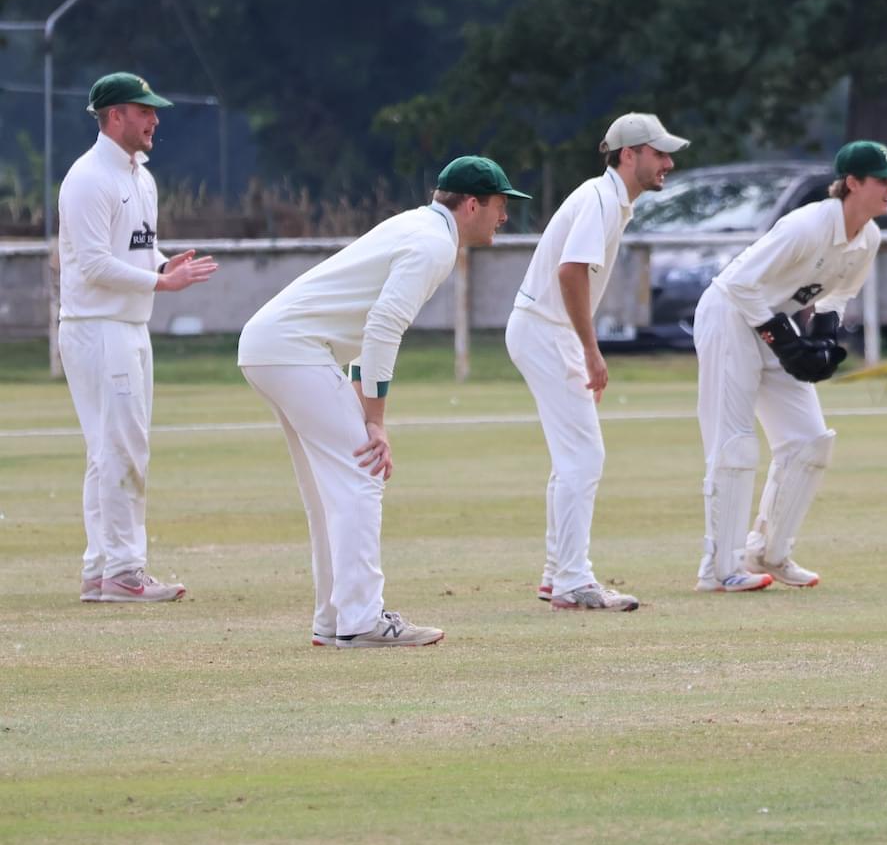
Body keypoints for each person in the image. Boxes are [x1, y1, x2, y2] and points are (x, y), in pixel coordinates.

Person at [238, 156, 530, 647]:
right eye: (501, 206)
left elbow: (361, 326)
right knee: (362, 472)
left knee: (328, 490)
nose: (505, 217)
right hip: (292, 350)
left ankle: (335, 621)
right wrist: (375, 422)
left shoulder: (416, 227)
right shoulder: (433, 243)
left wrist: (362, 407)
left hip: (273, 347)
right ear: (473, 204)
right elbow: (382, 326)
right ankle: (361, 620)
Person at [692, 140, 887, 593]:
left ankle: (768, 552)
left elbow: (839, 294)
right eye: (882, 180)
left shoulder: (867, 236)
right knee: (734, 445)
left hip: (772, 320)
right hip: (729, 316)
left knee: (809, 443)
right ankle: (719, 569)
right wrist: (784, 339)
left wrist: (824, 338)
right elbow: (738, 283)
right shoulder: (807, 225)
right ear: (852, 184)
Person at [507, 113, 689, 612]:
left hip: (543, 329)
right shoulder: (600, 199)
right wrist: (591, 350)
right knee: (584, 457)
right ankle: (571, 579)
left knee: (574, 457)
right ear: (628, 155)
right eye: (659, 153)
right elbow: (570, 272)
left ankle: (557, 573)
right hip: (546, 330)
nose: (668, 163)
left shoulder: (610, 199)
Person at [59, 72, 220, 604]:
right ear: (113, 117)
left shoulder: (140, 177)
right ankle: (125, 571)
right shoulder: (88, 178)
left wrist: (161, 261)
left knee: (111, 450)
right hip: (97, 328)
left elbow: (131, 248)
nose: (154, 119)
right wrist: (161, 280)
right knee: (122, 448)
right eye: (143, 110)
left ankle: (101, 569)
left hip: (129, 325)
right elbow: (91, 263)